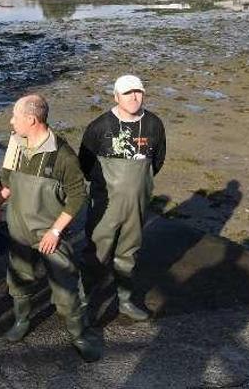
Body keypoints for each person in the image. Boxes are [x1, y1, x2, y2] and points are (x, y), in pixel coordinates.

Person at [0, 94, 96, 360]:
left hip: (49, 235)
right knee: (18, 280)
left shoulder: (63, 156)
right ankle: (22, 322)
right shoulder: (15, 143)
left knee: (66, 286)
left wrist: (56, 231)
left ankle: (79, 335)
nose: (11, 121)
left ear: (31, 119)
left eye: (15, 116)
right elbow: (6, 183)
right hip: (18, 231)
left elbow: (77, 195)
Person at [78, 74, 167, 324]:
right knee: (96, 253)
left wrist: (137, 186)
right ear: (116, 96)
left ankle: (125, 301)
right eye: (127, 93)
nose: (134, 97)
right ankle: (82, 304)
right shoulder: (99, 127)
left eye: (138, 92)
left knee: (129, 253)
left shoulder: (153, 125)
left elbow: (157, 161)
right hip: (104, 205)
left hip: (137, 205)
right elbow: (84, 164)